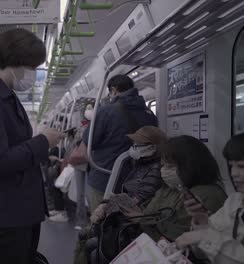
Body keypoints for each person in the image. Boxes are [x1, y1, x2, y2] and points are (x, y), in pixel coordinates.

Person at [0, 28, 65, 264]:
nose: (33, 74)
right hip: (10, 210)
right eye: (32, 67)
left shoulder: (5, 96)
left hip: (22, 207)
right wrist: (42, 142)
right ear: (15, 62)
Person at [87, 135, 227, 263]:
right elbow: (149, 208)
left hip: (170, 254)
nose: (164, 170)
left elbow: (172, 238)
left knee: (95, 251)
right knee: (93, 244)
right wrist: (108, 204)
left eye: (170, 166)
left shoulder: (205, 195)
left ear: (190, 166)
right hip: (147, 241)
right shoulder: (169, 188)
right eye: (163, 165)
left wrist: (141, 219)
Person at [85, 75, 158, 212]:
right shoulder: (149, 114)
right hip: (138, 179)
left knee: (101, 219)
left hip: (105, 176)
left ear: (113, 90)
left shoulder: (106, 111)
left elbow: (89, 141)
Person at [176, 133, 244, 263]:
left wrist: (204, 237)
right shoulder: (234, 202)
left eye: (241, 166)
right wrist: (202, 222)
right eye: (231, 166)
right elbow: (204, 250)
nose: (234, 173)